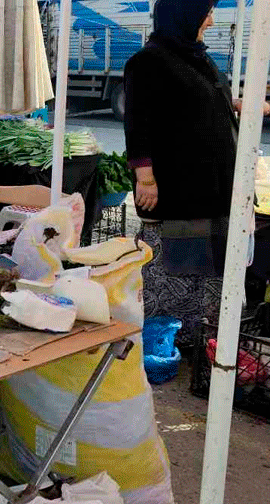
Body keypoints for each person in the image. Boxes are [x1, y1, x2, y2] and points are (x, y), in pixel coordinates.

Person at [124, 0, 270, 350]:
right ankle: (167, 342)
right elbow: (138, 125)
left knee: (208, 271)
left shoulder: (198, 57)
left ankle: (201, 343)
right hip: (177, 192)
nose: (211, 19)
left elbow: (205, 103)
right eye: (205, 11)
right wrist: (146, 179)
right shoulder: (148, 62)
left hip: (212, 190)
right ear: (182, 13)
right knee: (178, 268)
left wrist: (241, 107)